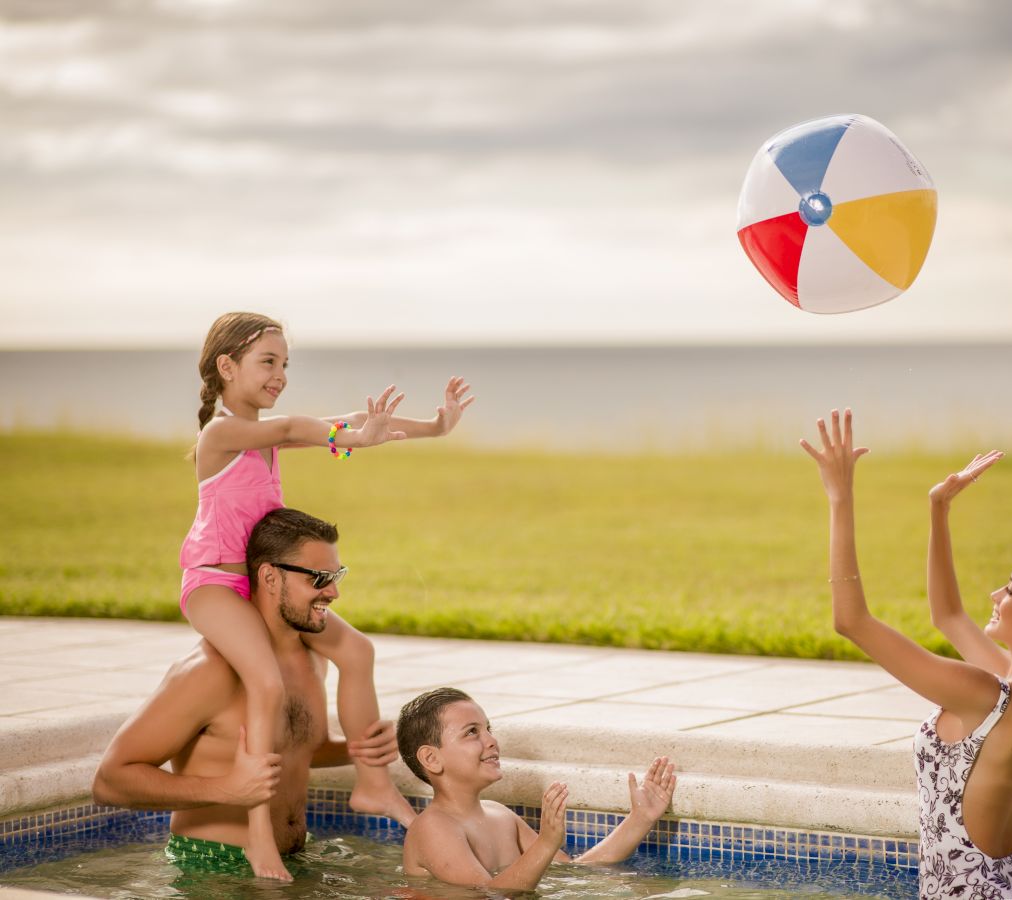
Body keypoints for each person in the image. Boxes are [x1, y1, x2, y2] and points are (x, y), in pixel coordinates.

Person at [179, 311, 474, 879]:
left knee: (357, 651)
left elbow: (347, 423)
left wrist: (432, 427)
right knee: (266, 681)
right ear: (225, 366)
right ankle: (259, 835)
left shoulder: (262, 435)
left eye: (285, 363)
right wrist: (350, 437)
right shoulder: (220, 433)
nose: (280, 373)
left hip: (264, 586)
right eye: (268, 361)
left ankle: (372, 785)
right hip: (215, 583)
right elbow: (294, 427)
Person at [799, 409, 1012, 900]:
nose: (995, 594)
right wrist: (938, 508)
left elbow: (852, 621)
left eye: (1011, 591)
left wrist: (839, 497)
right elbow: (948, 616)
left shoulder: (986, 695)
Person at [94, 507, 402, 878]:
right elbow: (110, 780)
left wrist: (359, 749)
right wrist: (226, 789)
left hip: (293, 861)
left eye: (337, 575)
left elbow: (292, 749)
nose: (333, 592)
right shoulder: (210, 671)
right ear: (270, 577)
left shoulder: (311, 659)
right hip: (212, 868)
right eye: (319, 578)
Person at [395, 687, 677, 891]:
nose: (491, 740)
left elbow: (573, 872)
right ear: (432, 758)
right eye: (472, 732)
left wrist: (640, 818)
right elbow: (489, 894)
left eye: (488, 728)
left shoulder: (500, 815)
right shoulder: (432, 827)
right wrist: (546, 842)